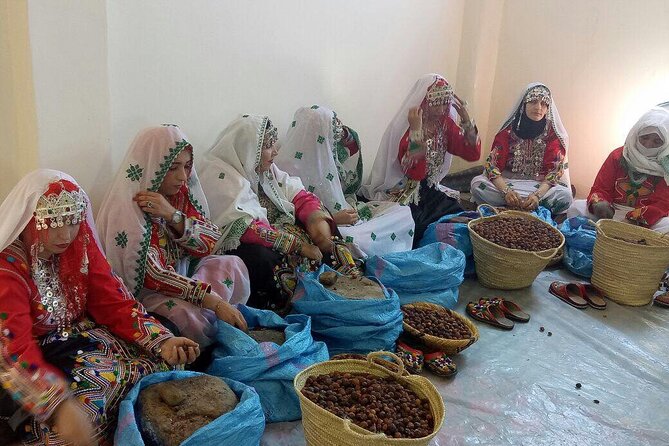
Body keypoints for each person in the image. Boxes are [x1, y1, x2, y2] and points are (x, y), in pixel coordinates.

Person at [0, 170, 199, 446]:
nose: (65, 234)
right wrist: (57, 406)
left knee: (162, 356)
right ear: (30, 220)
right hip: (37, 360)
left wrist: (161, 339)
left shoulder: (78, 245)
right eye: (54, 223)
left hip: (82, 340)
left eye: (72, 221)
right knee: (88, 402)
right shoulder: (8, 269)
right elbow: (14, 349)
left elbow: (112, 300)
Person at [97, 125, 249, 349]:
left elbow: (210, 241)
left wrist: (173, 216)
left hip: (186, 278)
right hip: (150, 294)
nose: (183, 177)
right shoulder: (128, 209)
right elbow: (154, 275)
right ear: (153, 166)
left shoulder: (178, 197)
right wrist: (213, 302)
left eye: (187, 167)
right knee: (186, 315)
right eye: (173, 168)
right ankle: (209, 345)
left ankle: (223, 325)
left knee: (232, 264)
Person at [198, 114, 359, 309]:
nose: (275, 151)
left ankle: (347, 278)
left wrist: (317, 225)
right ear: (249, 150)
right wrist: (298, 246)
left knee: (321, 219)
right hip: (246, 243)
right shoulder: (221, 176)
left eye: (274, 144)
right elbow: (244, 227)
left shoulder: (267, 171)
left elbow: (299, 195)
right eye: (267, 146)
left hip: (277, 232)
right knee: (260, 257)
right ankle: (287, 303)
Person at [276, 105, 415, 256]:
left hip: (346, 216)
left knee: (402, 212)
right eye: (330, 134)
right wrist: (333, 219)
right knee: (352, 240)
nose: (334, 141)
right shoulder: (283, 169)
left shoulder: (325, 157)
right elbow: (288, 220)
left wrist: (344, 133)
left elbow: (352, 148)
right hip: (324, 230)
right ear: (316, 132)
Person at [361, 74, 481, 246]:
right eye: (436, 102)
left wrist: (467, 121)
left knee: (460, 219)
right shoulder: (406, 127)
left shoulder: (445, 124)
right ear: (424, 100)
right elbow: (415, 173)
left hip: (430, 189)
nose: (441, 108)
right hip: (408, 191)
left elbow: (472, 154)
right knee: (413, 228)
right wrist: (416, 131)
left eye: (445, 101)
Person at [471, 83, 572, 214]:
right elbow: (492, 166)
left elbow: (554, 172)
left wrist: (537, 195)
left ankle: (520, 204)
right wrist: (506, 191)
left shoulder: (552, 134)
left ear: (548, 108)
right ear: (524, 105)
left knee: (565, 195)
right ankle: (524, 206)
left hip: (538, 188)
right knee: (477, 184)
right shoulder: (508, 131)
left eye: (543, 104)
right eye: (533, 102)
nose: (538, 108)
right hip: (507, 184)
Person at [567, 107, 669, 232]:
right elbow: (601, 187)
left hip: (645, 219)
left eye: (657, 141)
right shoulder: (618, 155)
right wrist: (600, 203)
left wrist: (634, 218)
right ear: (636, 135)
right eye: (644, 137)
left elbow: (662, 203)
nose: (648, 145)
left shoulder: (666, 165)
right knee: (576, 207)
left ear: (665, 143)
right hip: (612, 211)